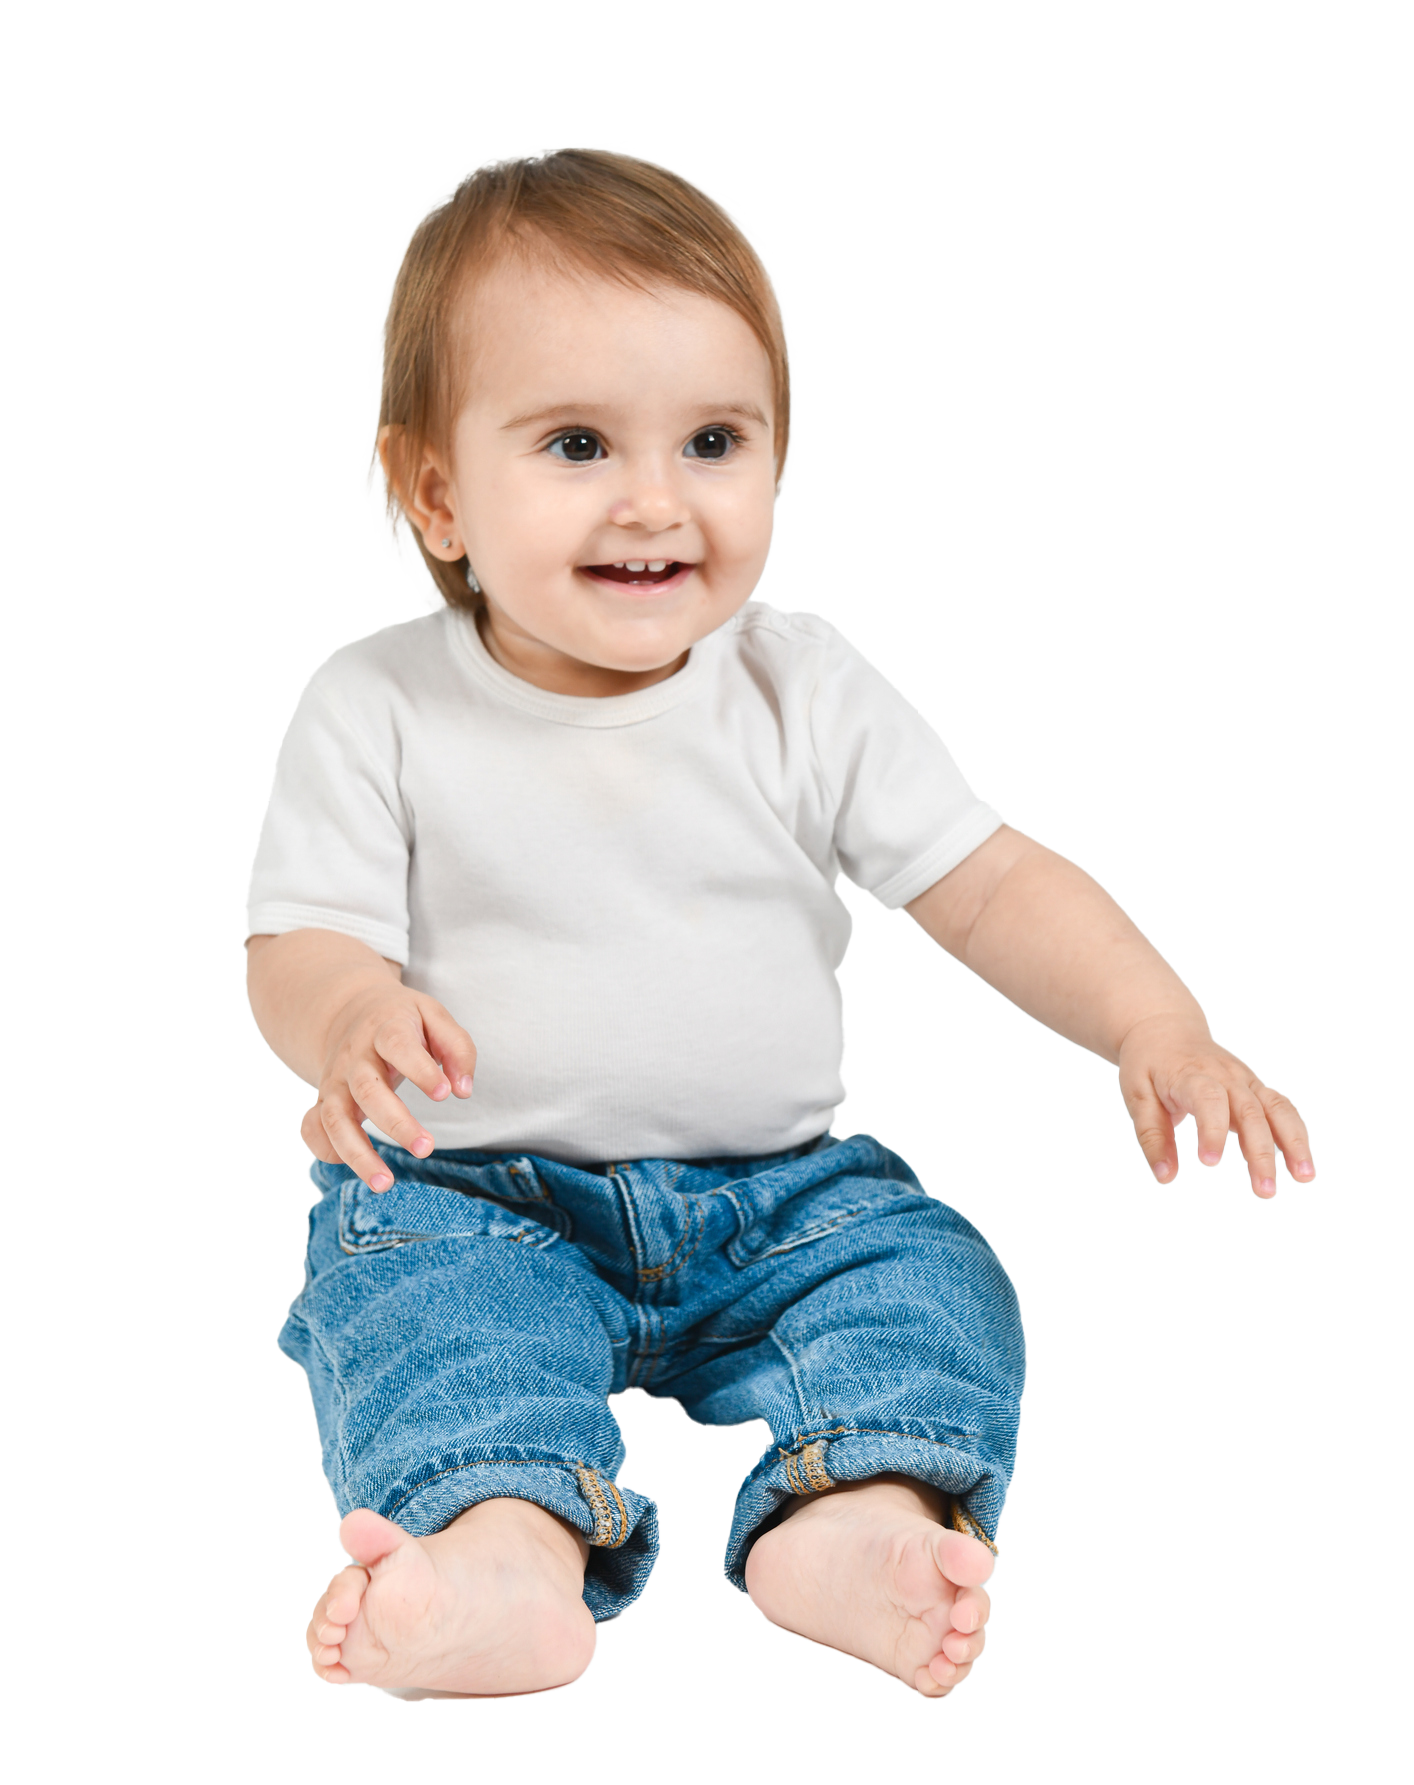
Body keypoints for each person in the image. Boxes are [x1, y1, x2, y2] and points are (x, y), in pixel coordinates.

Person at [245, 147, 1314, 1700]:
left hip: (777, 1205)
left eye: (713, 440)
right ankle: (500, 1542)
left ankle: (855, 1508)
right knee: (420, 1314)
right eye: (573, 443)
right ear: (435, 491)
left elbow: (993, 883)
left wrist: (1155, 1023)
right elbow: (296, 942)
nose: (654, 501)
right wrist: (345, 1017)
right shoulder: (381, 708)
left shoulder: (796, 695)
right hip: (482, 1197)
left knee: (930, 1278)